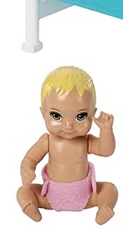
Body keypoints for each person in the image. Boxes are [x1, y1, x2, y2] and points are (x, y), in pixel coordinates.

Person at [17, 66, 117, 223]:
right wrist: (27, 170)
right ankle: (31, 206)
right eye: (56, 116)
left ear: (92, 114)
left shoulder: (86, 141)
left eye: (80, 116)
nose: (68, 125)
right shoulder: (47, 140)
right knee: (24, 191)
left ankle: (104, 207)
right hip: (49, 197)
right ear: (43, 114)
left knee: (109, 189)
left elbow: (106, 150)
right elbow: (30, 159)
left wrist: (106, 130)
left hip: (87, 196)